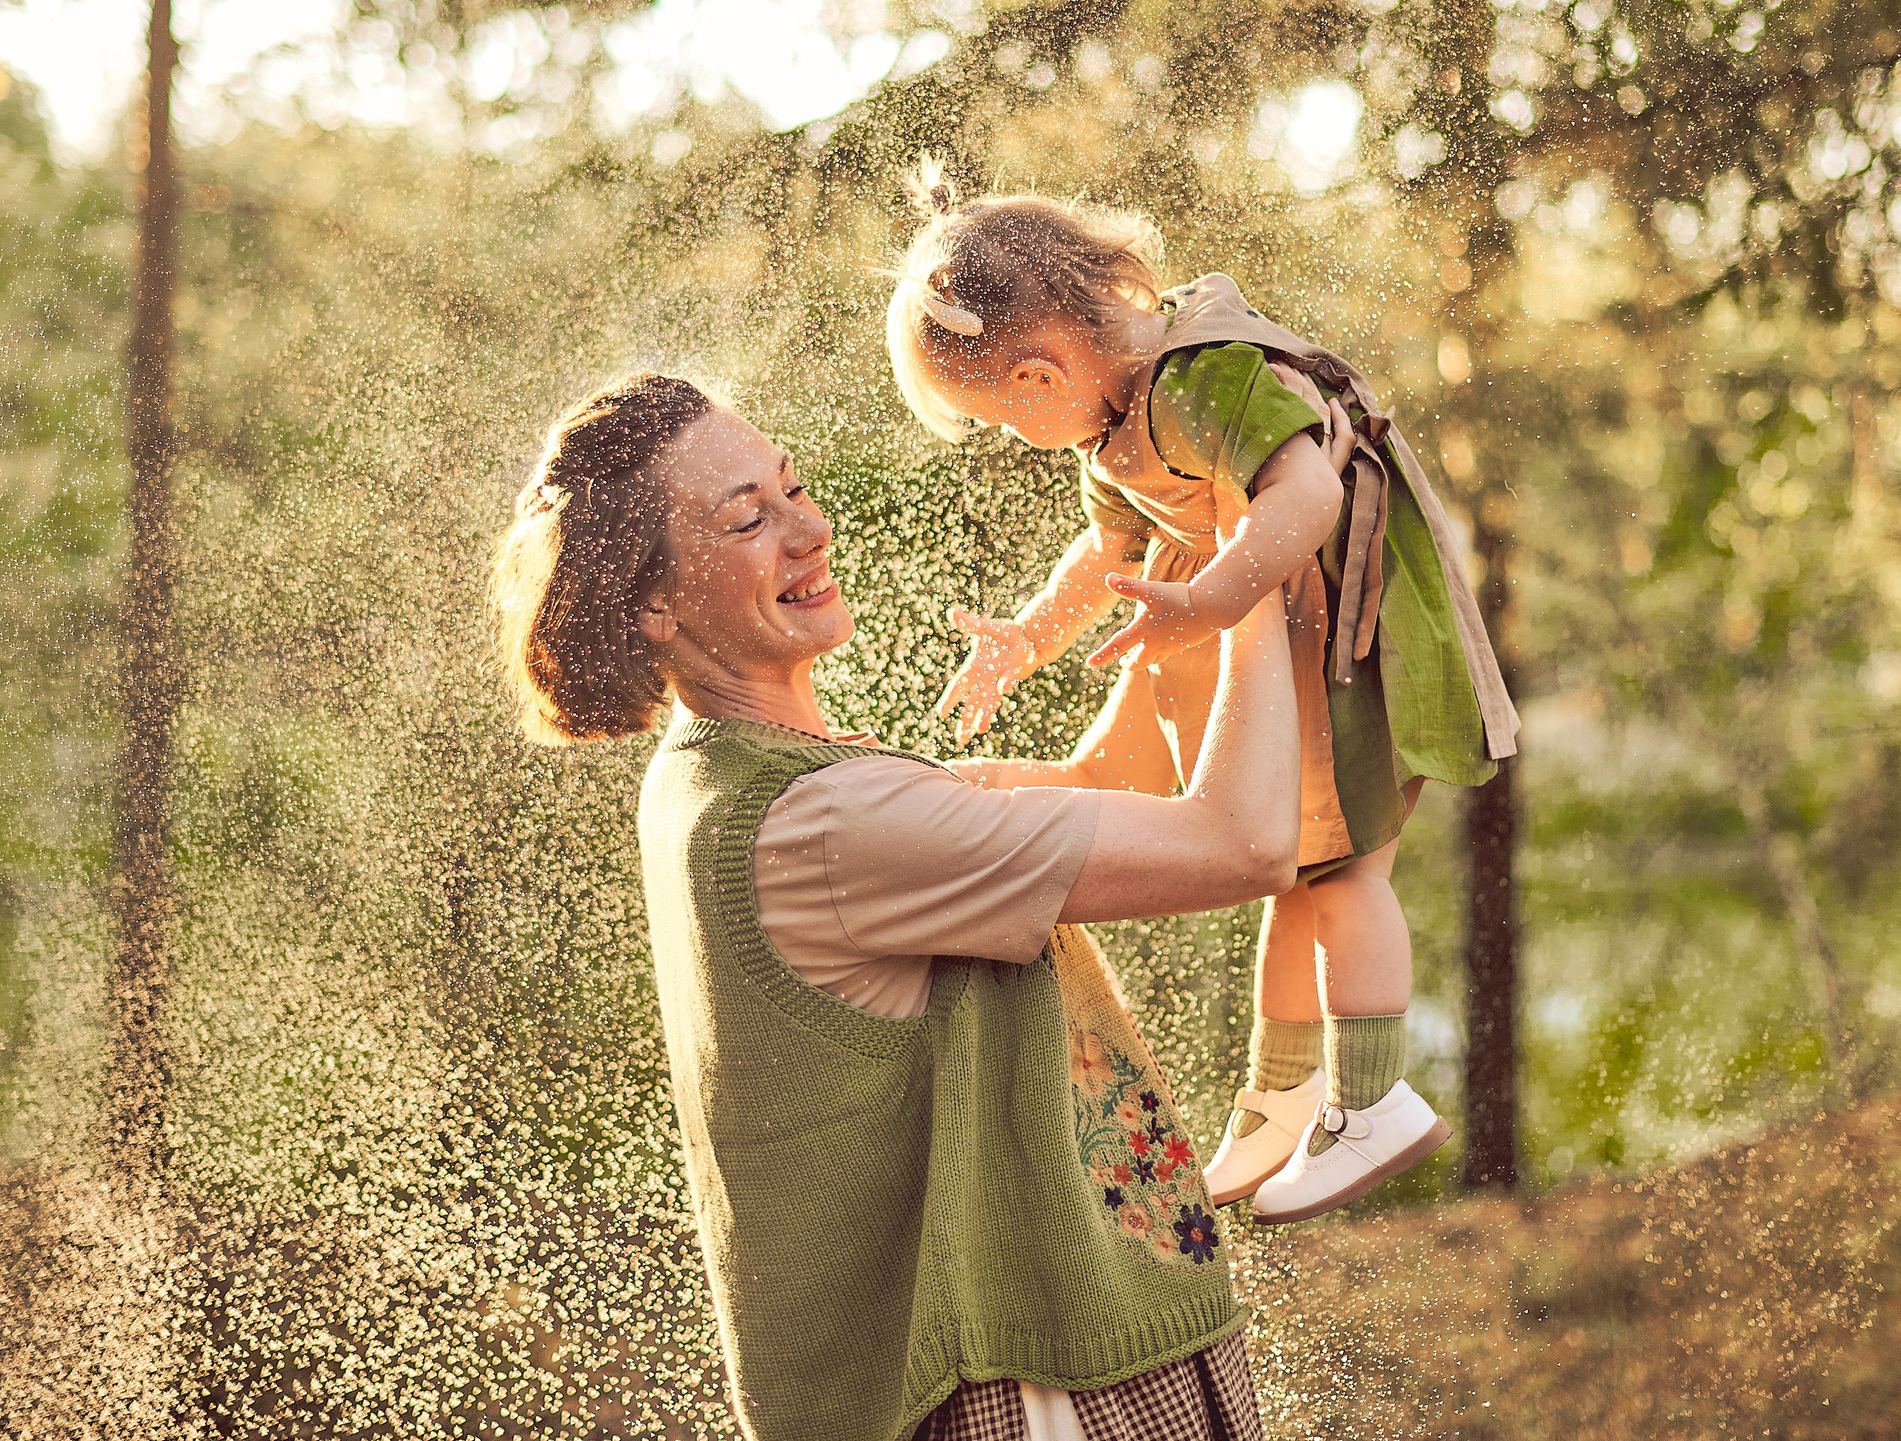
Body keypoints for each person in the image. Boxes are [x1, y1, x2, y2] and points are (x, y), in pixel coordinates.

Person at [489, 372, 1312, 1441]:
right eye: (747, 518)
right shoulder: (822, 824)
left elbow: (1107, 783)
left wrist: (1187, 576)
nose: (809, 530)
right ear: (652, 601)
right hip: (1032, 1380)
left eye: (792, 488)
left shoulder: (724, 776)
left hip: (1048, 1355)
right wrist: (1256, 565)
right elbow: (1245, 843)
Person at [885, 175, 1521, 1222]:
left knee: (1348, 873)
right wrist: (1030, 636)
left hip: (1350, 640)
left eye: (1001, 418)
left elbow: (1308, 491)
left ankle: (1375, 1101)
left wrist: (1214, 597)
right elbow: (1107, 551)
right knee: (1298, 877)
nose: (1014, 435)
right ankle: (1284, 1095)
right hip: (1294, 640)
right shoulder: (1113, 419)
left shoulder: (1202, 380)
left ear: (1038, 375)